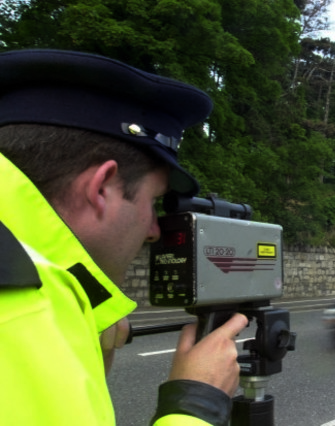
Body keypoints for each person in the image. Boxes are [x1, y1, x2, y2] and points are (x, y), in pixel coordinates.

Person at [0, 49, 248, 425]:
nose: (153, 230)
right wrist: (195, 404)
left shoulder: (32, 295)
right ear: (102, 188)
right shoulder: (21, 322)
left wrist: (79, 340)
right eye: (152, 202)